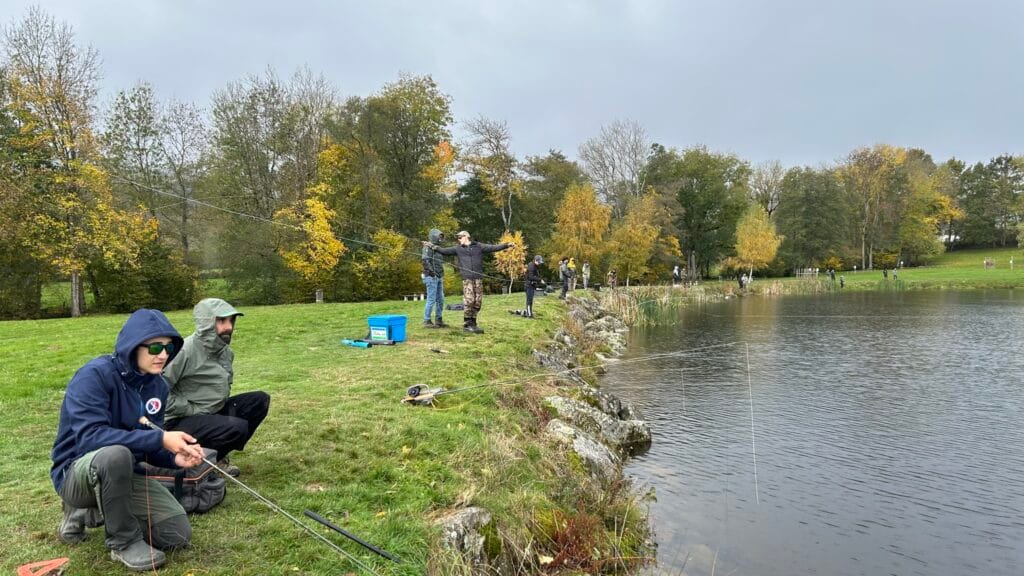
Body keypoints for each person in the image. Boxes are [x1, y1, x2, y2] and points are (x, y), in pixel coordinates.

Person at [51, 309, 204, 571]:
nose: (164, 355)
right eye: (155, 347)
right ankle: (121, 541)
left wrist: (173, 456)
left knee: (176, 534)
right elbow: (90, 437)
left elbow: (150, 442)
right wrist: (161, 438)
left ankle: (103, 509)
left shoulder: (158, 386)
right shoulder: (93, 376)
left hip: (123, 474)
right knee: (115, 454)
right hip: (75, 473)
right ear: (133, 346)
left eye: (169, 348)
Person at [164, 298, 270, 477]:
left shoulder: (226, 352)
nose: (228, 326)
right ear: (206, 322)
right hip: (178, 421)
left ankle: (216, 457)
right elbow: (157, 391)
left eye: (232, 321)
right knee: (236, 428)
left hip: (210, 412)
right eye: (221, 320)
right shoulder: (184, 351)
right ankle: (199, 463)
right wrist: (191, 409)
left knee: (259, 400)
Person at [426, 230, 512, 334]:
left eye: (460, 237)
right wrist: (432, 246)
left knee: (477, 302)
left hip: (478, 278)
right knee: (469, 301)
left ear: (466, 236)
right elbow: (444, 251)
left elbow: (493, 247)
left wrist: (507, 245)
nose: (458, 239)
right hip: (467, 279)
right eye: (457, 238)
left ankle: (473, 323)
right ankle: (467, 325)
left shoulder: (479, 246)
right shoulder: (458, 249)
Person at [421, 228, 448, 328]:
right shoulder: (427, 247)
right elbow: (425, 261)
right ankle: (427, 320)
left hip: (439, 276)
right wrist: (432, 273)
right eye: (439, 236)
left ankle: (439, 320)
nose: (440, 239)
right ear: (434, 236)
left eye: (441, 237)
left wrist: (440, 274)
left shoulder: (438, 248)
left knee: (440, 299)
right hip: (431, 277)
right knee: (431, 299)